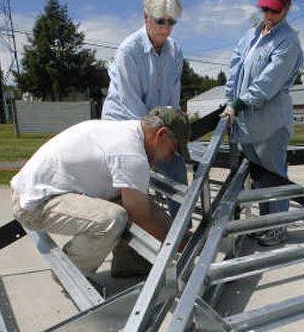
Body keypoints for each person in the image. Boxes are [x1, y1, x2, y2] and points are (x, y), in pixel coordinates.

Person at [10, 107, 191, 280]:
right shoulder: (131, 155)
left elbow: (146, 207)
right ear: (161, 135)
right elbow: (142, 216)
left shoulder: (125, 132)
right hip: (35, 204)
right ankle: (71, 273)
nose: (170, 156)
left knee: (130, 201)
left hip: (37, 190)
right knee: (112, 219)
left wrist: (182, 235)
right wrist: (183, 246)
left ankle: (128, 264)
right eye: (173, 149)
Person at [223, 0, 304, 246]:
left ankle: (278, 227)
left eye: (275, 10)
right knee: (259, 179)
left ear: (287, 8)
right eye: (265, 9)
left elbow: (268, 82)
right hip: (246, 123)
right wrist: (229, 99)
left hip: (270, 123)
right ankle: (264, 224)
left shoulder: (288, 41)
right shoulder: (251, 36)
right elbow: (234, 69)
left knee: (273, 176)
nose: (269, 15)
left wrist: (240, 102)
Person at [102, 0, 187, 219]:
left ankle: (181, 231)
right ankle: (127, 233)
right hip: (124, 124)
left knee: (176, 168)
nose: (166, 29)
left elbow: (172, 97)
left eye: (172, 22)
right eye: (160, 21)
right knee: (129, 185)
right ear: (146, 17)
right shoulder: (128, 51)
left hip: (156, 126)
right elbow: (131, 103)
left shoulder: (175, 51)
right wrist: (154, 138)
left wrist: (171, 131)